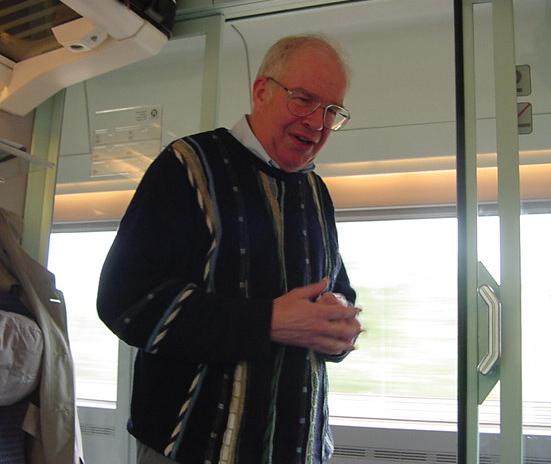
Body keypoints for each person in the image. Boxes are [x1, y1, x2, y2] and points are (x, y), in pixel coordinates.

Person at [97, 34, 362, 464]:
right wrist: (267, 321)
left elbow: (339, 289)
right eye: (304, 100)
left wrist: (338, 322)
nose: (318, 122)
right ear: (261, 91)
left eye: (332, 110)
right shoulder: (187, 164)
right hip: (191, 450)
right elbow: (126, 301)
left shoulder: (317, 192)